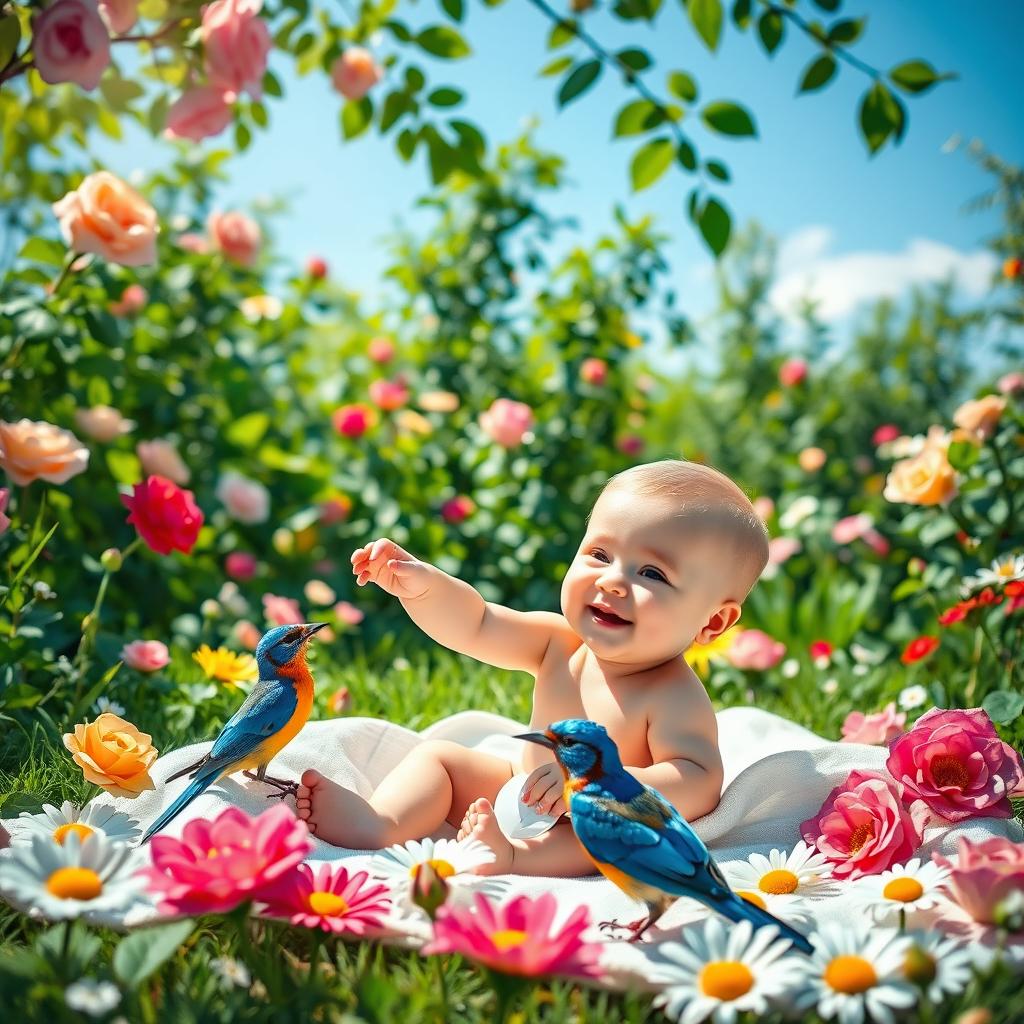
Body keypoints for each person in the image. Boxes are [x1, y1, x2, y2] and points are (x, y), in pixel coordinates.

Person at [296, 458, 769, 876]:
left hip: (590, 817)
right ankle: (383, 824)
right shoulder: (559, 643)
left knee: (598, 845)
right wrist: (422, 587)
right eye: (601, 555)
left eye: (652, 574)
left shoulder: (672, 695)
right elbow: (477, 624)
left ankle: (512, 858)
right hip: (516, 786)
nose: (612, 581)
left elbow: (697, 779)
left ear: (712, 621)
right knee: (438, 758)